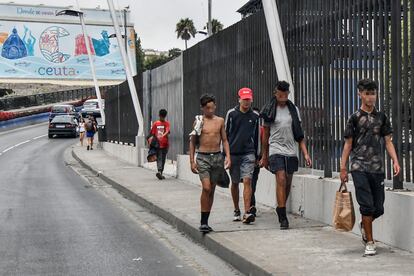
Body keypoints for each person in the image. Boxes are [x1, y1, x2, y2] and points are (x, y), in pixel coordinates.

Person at [340, 79, 400, 256]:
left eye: (373, 93)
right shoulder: (354, 118)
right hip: (359, 166)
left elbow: (388, 141)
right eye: (367, 93)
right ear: (360, 94)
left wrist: (395, 161)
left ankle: (364, 224)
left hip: (377, 168)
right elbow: (347, 145)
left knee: (378, 208)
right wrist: (343, 168)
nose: (370, 97)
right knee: (366, 206)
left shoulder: (381, 117)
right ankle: (370, 242)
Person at [260, 81, 312, 230]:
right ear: (275, 93)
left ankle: (280, 207)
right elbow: (265, 135)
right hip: (275, 149)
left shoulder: (293, 109)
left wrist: (306, 154)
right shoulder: (270, 109)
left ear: (288, 94)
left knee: (287, 182)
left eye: (285, 95)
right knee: (281, 178)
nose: (282, 98)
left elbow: (299, 134)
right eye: (280, 95)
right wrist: (264, 156)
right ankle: (283, 216)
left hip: (291, 150)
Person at [189, 94, 231, 233]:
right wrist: (192, 161)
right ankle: (203, 221)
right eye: (207, 108)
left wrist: (228, 157)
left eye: (212, 107)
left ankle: (205, 221)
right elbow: (192, 142)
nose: (210, 110)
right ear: (202, 108)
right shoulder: (199, 121)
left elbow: (224, 140)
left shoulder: (220, 121)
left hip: (217, 158)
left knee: (212, 190)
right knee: (206, 188)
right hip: (203, 158)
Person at [225, 88, 260, 224]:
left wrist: (258, 155)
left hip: (248, 153)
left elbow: (257, 136)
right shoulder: (232, 114)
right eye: (244, 99)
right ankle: (236, 209)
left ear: (251, 99)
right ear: (239, 99)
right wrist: (225, 154)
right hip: (233, 153)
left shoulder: (255, 116)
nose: (246, 102)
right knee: (234, 182)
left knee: (247, 181)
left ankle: (247, 212)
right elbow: (225, 135)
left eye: (248, 99)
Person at [251, 107, 264, 217]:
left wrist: (261, 158)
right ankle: (251, 206)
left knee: (252, 183)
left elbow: (264, 145)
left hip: (256, 160)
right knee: (247, 182)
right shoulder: (246, 128)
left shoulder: (262, 130)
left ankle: (251, 206)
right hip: (245, 158)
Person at [150, 109, 170, 180]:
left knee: (161, 158)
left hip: (161, 144)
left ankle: (160, 172)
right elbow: (167, 132)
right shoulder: (166, 123)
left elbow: (152, 134)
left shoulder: (155, 123)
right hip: (160, 144)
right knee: (161, 158)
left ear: (159, 115)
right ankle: (160, 171)